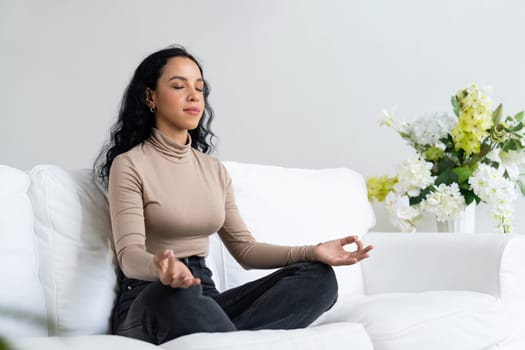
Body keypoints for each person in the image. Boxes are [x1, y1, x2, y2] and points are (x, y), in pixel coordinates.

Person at [94, 44, 373, 345]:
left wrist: (313, 251)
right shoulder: (130, 164)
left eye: (199, 88)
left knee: (319, 279)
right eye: (178, 86)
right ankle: (228, 338)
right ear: (150, 96)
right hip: (151, 295)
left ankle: (222, 339)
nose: (193, 96)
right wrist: (161, 270)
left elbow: (246, 250)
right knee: (178, 297)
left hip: (206, 299)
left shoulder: (214, 170)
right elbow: (129, 255)